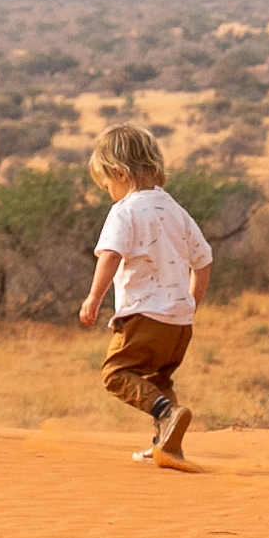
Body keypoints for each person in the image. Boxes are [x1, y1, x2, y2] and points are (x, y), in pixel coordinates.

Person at [73, 121, 211, 467]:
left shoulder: (126, 210)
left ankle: (167, 414)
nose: (108, 191)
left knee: (115, 374)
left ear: (119, 173)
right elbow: (204, 260)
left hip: (144, 316)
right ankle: (166, 444)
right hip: (179, 324)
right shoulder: (176, 210)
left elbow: (111, 255)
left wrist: (93, 298)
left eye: (106, 183)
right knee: (158, 378)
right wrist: (191, 303)